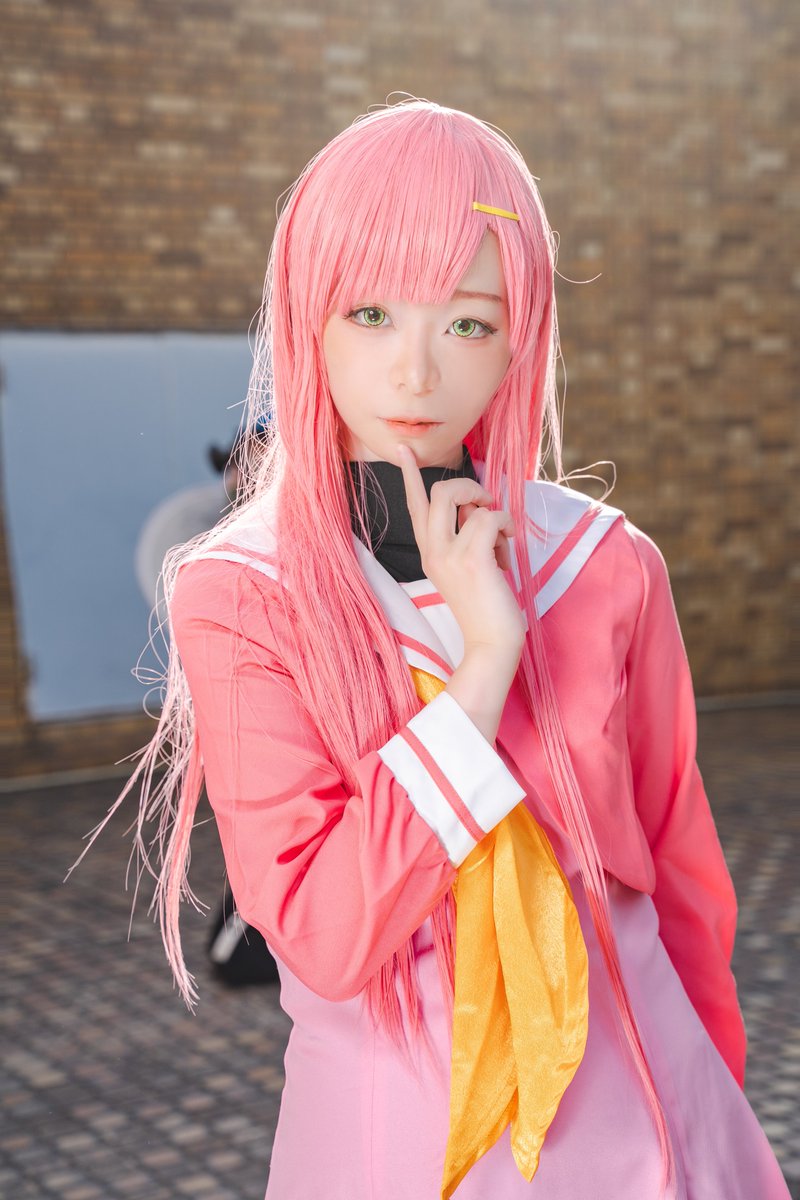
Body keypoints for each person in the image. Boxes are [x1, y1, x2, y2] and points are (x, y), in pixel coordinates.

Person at [96, 101, 790, 1198]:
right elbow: (323, 932)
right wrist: (481, 670)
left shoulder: (605, 563)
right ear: (309, 316)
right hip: (405, 1154)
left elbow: (683, 885)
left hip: (665, 1127)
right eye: (371, 313)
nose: (415, 373)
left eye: (467, 323)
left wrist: (719, 1109)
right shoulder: (242, 595)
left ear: (519, 337)